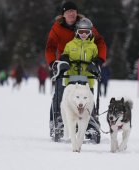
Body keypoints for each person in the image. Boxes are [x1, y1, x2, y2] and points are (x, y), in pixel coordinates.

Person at [45, 1, 107, 140]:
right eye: (68, 12)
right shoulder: (57, 28)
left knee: (86, 96)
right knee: (60, 95)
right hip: (65, 65)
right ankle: (57, 123)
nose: (71, 14)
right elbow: (50, 47)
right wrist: (54, 64)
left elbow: (99, 42)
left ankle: (90, 124)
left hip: (86, 66)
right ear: (63, 14)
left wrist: (98, 61)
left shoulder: (84, 24)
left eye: (73, 11)